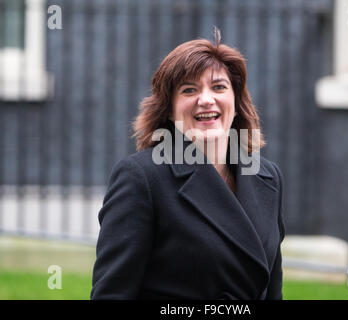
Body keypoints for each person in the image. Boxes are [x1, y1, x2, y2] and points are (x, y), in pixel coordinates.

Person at [90, 29, 285, 300]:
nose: (206, 99)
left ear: (236, 101)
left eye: (218, 87)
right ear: (170, 109)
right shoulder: (142, 178)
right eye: (189, 90)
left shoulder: (268, 177)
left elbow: (273, 290)